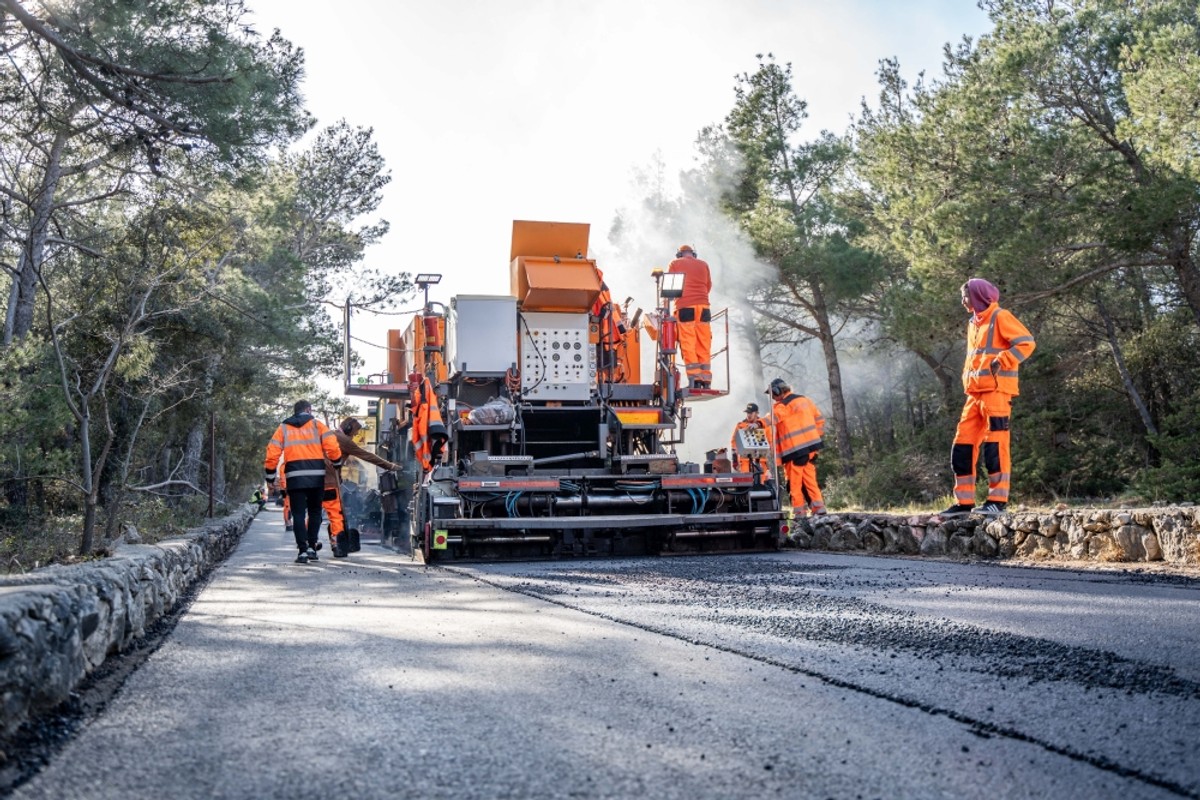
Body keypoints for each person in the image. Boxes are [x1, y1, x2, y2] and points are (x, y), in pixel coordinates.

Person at [940, 278, 1036, 518]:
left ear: (977, 297)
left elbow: (1026, 343)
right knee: (962, 446)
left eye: (965, 297)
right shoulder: (973, 322)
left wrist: (1002, 360)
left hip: (996, 392)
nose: (963, 301)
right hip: (974, 394)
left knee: (996, 446)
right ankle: (963, 503)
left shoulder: (1000, 316)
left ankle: (997, 501)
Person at [264, 400, 342, 564]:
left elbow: (272, 453)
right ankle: (312, 548)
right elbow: (332, 446)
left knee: (298, 514)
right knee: (314, 512)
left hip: (294, 477)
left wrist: (270, 476)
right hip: (316, 476)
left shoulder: (283, 427)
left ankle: (302, 551)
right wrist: (336, 463)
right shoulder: (317, 425)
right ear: (308, 409)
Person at [324, 417, 402, 558]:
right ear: (348, 428)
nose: (354, 436)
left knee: (314, 513)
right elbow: (367, 455)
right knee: (336, 515)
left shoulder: (329, 435)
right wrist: (390, 466)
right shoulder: (343, 440)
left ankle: (308, 545)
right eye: (354, 433)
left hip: (315, 480)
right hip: (329, 482)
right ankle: (337, 545)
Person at [767, 378, 827, 516]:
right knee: (810, 481)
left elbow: (772, 418)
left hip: (794, 451)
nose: (773, 398)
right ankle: (819, 509)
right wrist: (813, 442)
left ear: (778, 391)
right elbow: (819, 420)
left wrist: (758, 424)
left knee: (794, 484)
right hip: (811, 449)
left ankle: (800, 513)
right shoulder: (805, 400)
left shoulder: (783, 405)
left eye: (773, 394)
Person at [667, 245, 713, 389]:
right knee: (703, 342)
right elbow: (708, 286)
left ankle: (694, 379)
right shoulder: (704, 264)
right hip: (704, 307)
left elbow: (670, 288)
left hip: (685, 307)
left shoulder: (675, 263)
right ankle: (706, 379)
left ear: (679, 254)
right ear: (693, 254)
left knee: (689, 342)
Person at [729, 402, 772, 477]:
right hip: (745, 462)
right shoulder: (740, 426)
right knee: (747, 484)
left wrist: (769, 466)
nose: (748, 415)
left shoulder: (764, 426)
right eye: (747, 413)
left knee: (761, 484)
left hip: (761, 462)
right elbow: (733, 443)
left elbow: (770, 443)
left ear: (757, 413)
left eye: (751, 413)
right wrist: (735, 461)